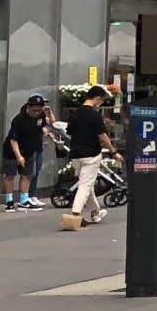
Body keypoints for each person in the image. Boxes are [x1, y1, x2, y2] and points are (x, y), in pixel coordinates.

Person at [63, 86, 113, 228]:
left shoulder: (75, 113)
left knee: (86, 183)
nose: (101, 103)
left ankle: (95, 212)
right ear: (97, 98)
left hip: (75, 153)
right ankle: (75, 215)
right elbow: (102, 136)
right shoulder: (95, 115)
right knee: (85, 185)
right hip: (91, 153)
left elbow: (69, 131)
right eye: (101, 100)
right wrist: (113, 150)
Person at [2, 93, 48, 210]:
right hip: (12, 151)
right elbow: (13, 139)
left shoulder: (41, 116)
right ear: (28, 107)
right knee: (10, 175)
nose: (36, 113)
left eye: (39, 110)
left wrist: (46, 132)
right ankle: (9, 201)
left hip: (29, 150)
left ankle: (23, 200)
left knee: (27, 175)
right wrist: (18, 156)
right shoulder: (19, 120)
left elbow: (42, 126)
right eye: (34, 110)